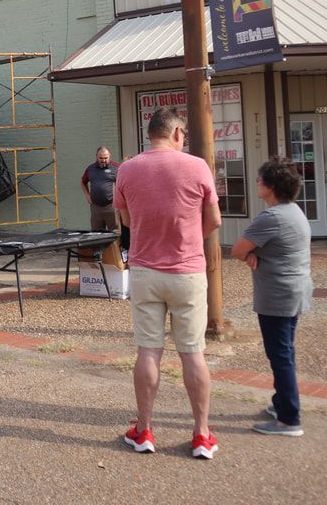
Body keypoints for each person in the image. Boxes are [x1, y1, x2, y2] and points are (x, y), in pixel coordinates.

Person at [112, 107, 222, 459]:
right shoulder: (196, 166)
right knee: (193, 352)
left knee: (148, 350)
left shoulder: (127, 169)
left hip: (145, 270)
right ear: (176, 133)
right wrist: (191, 237)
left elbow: (126, 219)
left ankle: (143, 430)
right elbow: (215, 220)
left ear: (151, 133)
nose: (184, 138)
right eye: (184, 134)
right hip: (187, 271)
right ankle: (202, 435)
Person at [230, 157, 312, 437]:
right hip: (294, 290)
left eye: (260, 179)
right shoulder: (294, 212)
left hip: (278, 294)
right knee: (285, 351)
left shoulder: (272, 217)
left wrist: (250, 254)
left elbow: (237, 250)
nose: (257, 183)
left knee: (280, 355)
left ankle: (289, 419)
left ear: (271, 185)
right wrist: (253, 253)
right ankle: (282, 404)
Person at [81, 146, 118, 232]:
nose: (103, 160)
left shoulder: (117, 167)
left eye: (106, 158)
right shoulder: (90, 169)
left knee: (114, 235)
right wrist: (87, 195)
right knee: (96, 235)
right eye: (101, 158)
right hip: (96, 208)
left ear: (110, 156)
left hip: (111, 207)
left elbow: (124, 184)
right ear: (96, 156)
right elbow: (83, 182)